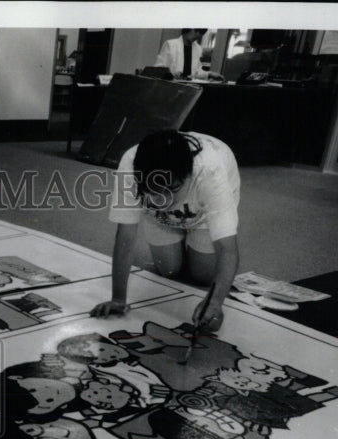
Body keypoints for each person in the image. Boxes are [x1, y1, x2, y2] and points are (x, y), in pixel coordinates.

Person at [91, 130, 241, 332]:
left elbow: (227, 249)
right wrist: (118, 299)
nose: (163, 199)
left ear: (189, 175)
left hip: (202, 213)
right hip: (159, 218)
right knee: (169, 270)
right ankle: (184, 238)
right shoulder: (130, 165)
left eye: (172, 189)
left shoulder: (211, 172)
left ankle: (195, 237)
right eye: (153, 190)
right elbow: (125, 237)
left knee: (204, 276)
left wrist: (215, 303)